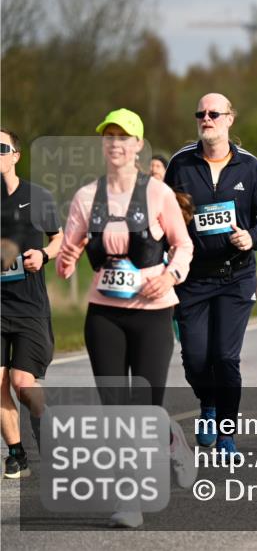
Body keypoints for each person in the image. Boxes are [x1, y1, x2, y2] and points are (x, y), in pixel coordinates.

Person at [55, 109, 195, 527]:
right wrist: (65, 257)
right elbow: (71, 244)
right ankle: (129, 500)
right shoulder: (85, 196)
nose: (115, 144)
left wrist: (169, 275)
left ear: (138, 146)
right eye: (108, 137)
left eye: (124, 137)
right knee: (115, 409)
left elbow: (183, 245)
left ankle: (171, 440)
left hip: (153, 313)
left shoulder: (157, 194)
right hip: (105, 316)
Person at [163, 94, 257, 458]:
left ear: (230, 119)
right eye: (201, 113)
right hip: (193, 278)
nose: (206, 118)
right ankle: (208, 404)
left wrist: (252, 238)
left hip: (235, 277)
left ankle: (227, 433)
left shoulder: (249, 167)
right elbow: (162, 212)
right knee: (196, 359)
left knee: (225, 358)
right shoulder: (181, 164)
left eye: (214, 113)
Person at [1, 129, 63, 480]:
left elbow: (59, 238)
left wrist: (43, 254)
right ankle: (16, 453)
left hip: (28, 305)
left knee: (23, 382)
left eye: (0, 148)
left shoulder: (36, 196)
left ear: (15, 156)